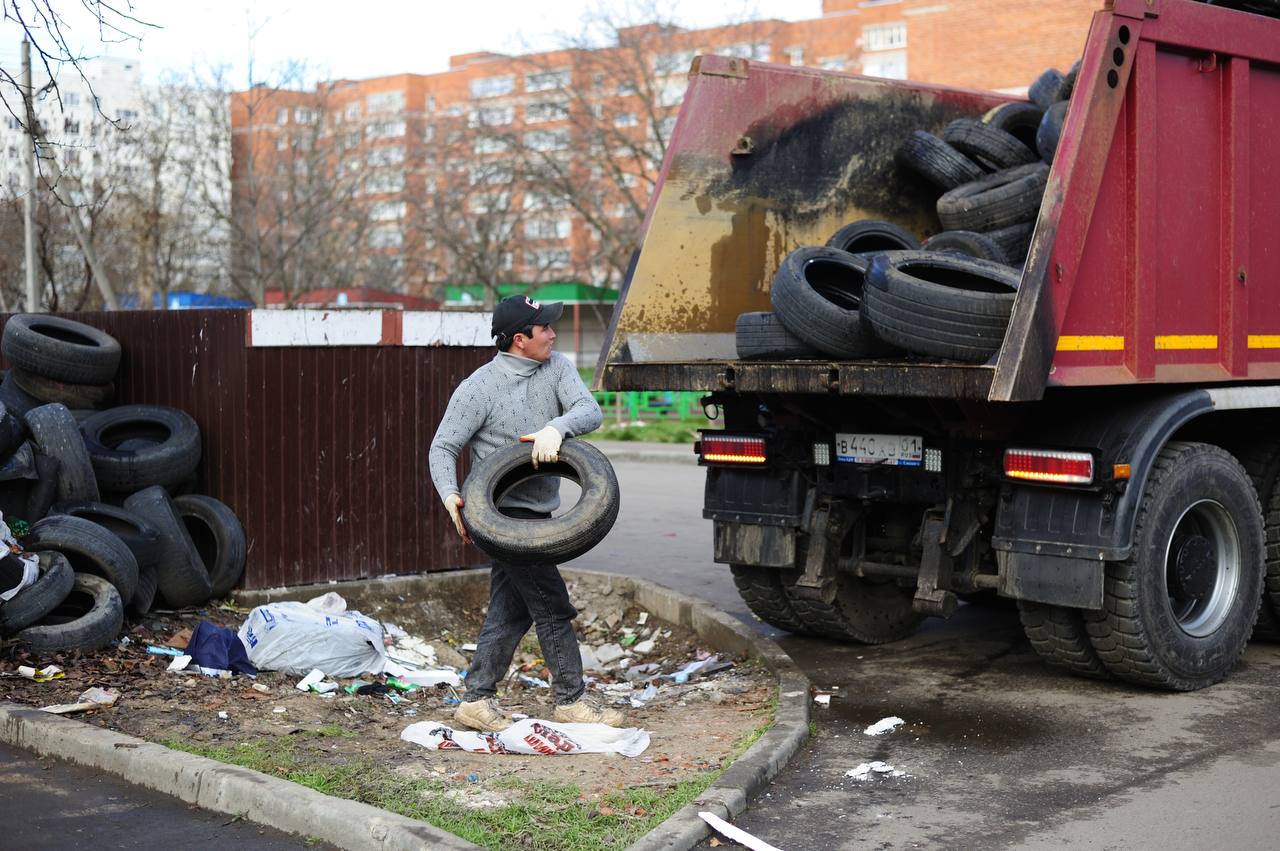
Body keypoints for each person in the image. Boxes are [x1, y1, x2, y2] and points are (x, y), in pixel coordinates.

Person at [428, 293, 623, 732]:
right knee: (552, 605)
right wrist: (449, 495)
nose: (553, 333)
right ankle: (570, 699)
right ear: (520, 338)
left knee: (511, 610)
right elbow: (443, 447)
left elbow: (589, 411)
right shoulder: (478, 388)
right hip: (499, 519)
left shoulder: (556, 367)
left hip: (541, 516)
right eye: (545, 328)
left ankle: (476, 698)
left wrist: (557, 426)